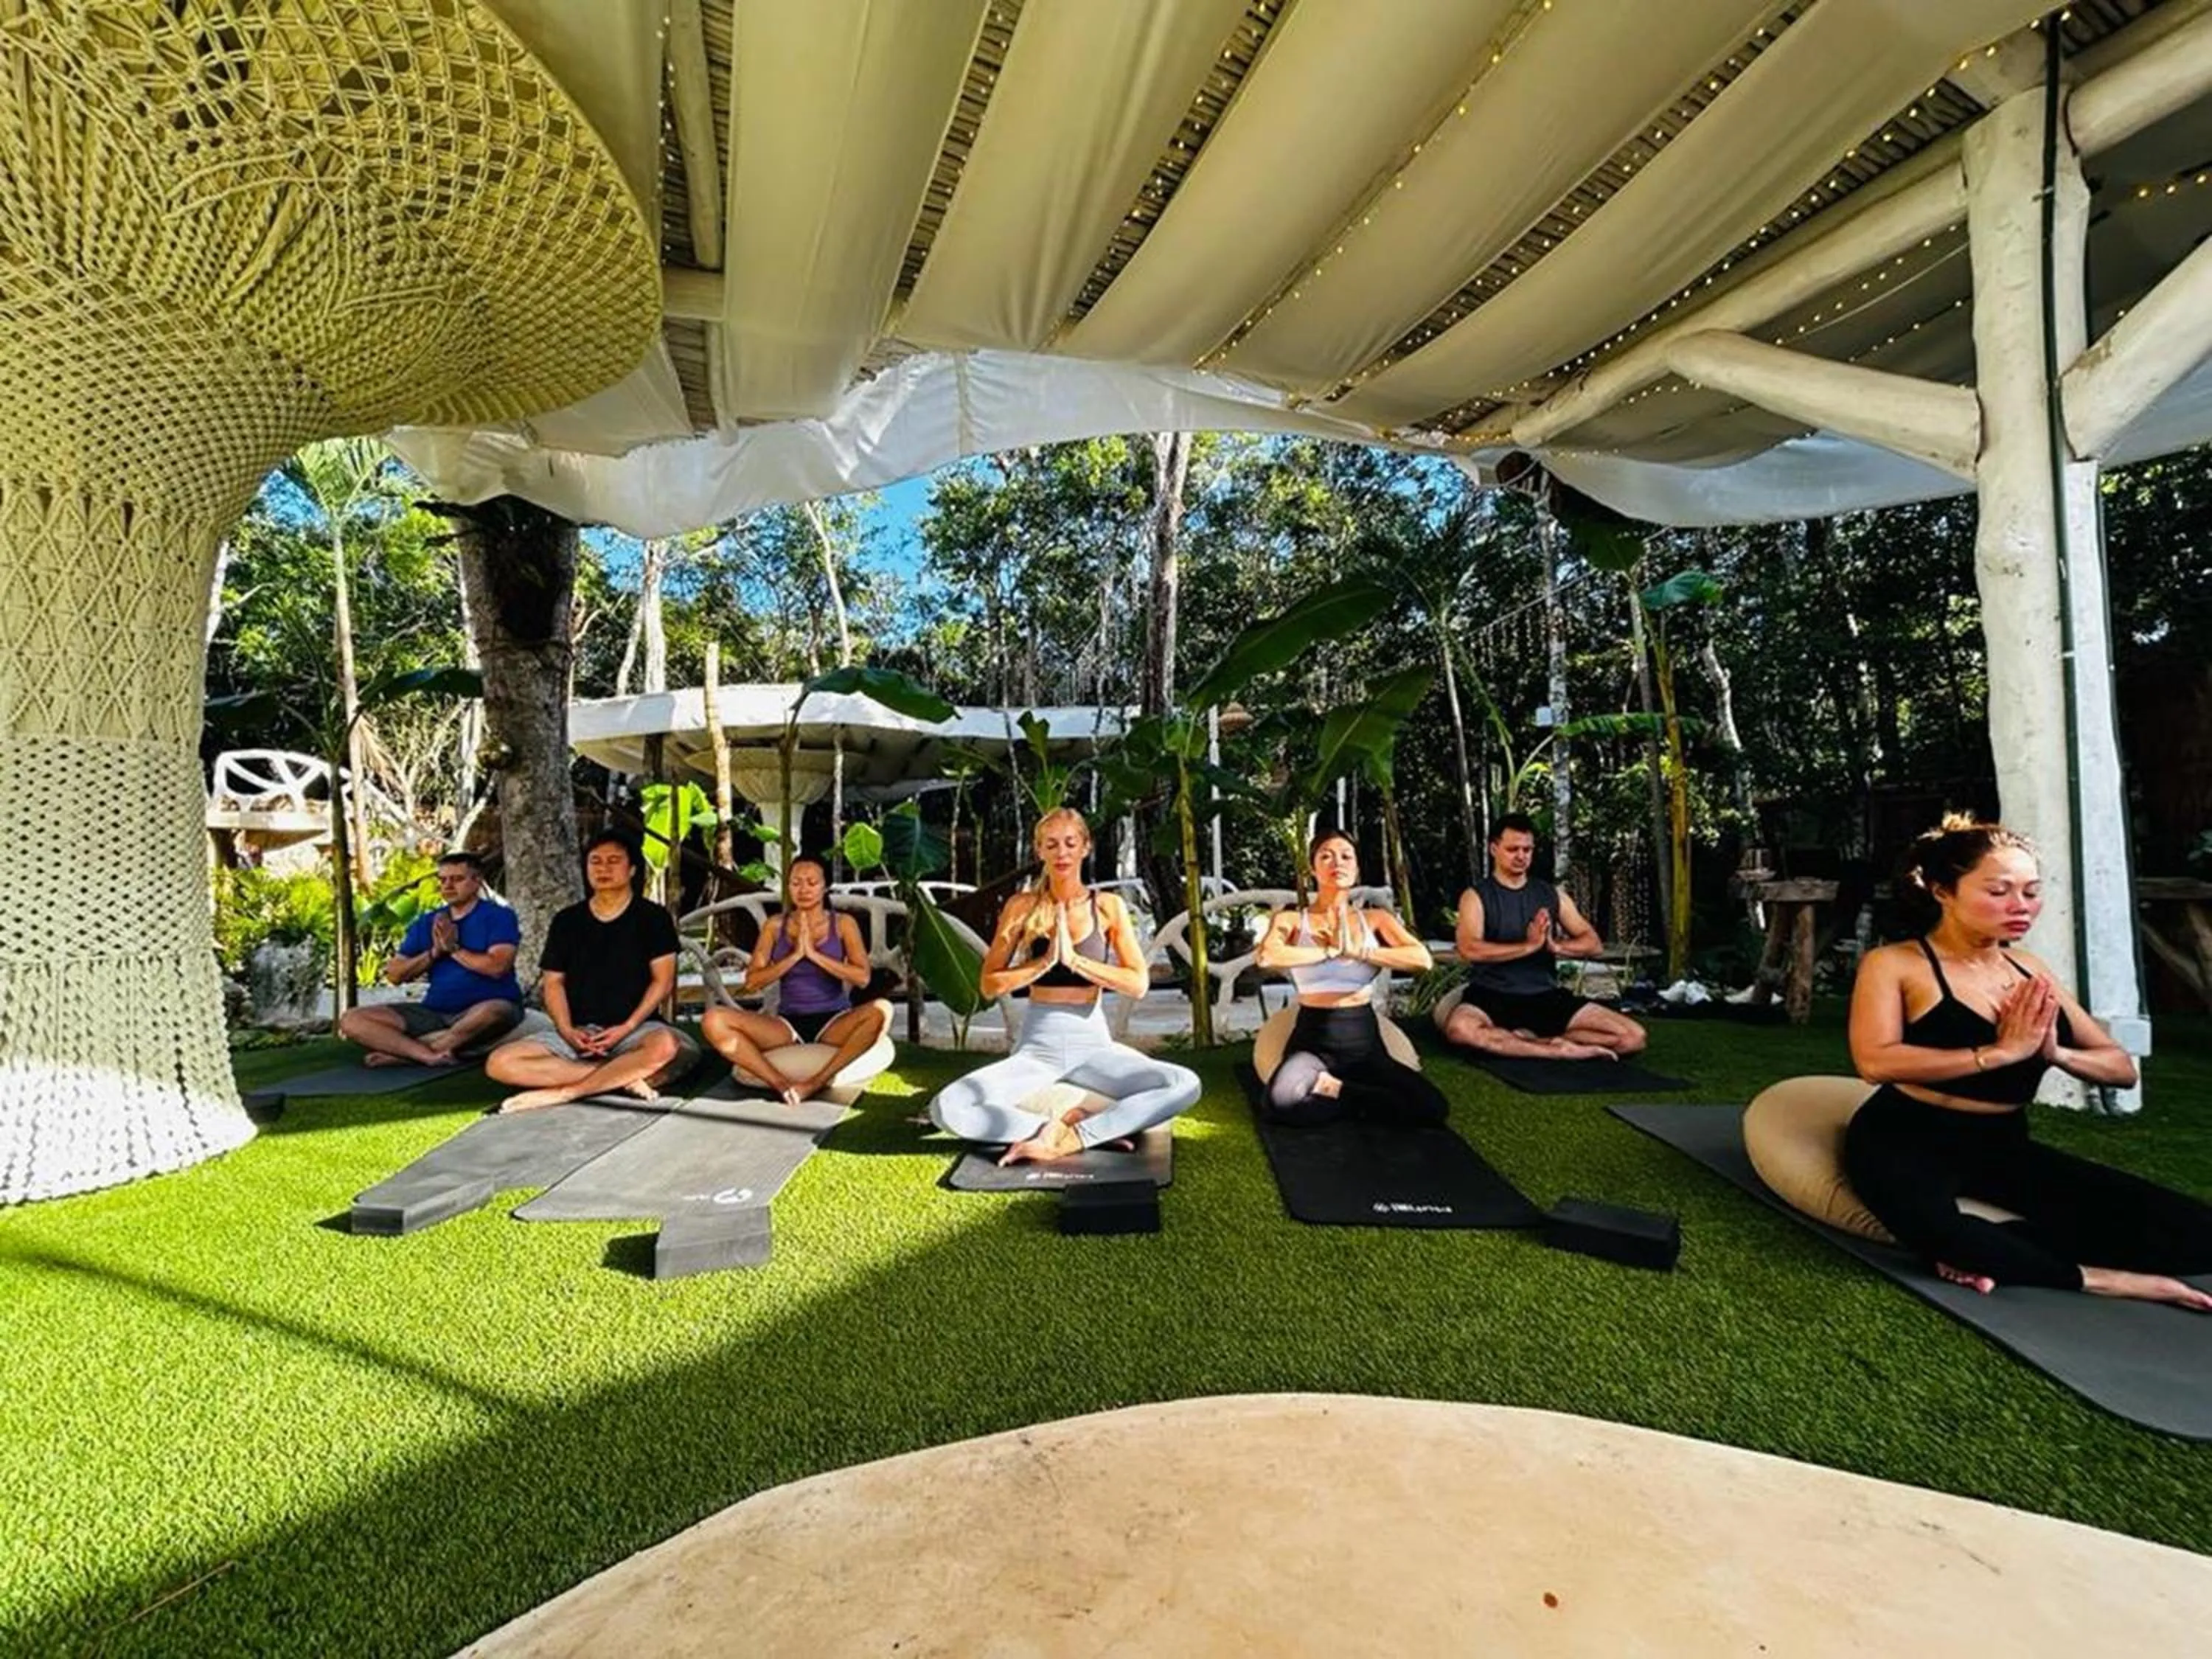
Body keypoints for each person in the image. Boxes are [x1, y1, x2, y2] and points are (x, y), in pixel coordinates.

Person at [1843, 815, 2212, 1310]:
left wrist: (2054, 1053)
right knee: (1941, 1231)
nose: (2022, 908)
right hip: (1905, 1138)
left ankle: (2008, 1248)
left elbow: (2120, 1067)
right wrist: (1996, 1054)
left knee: (2195, 1231)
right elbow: (1875, 1061)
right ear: (1942, 891)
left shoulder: (2030, 969)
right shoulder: (1896, 965)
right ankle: (2105, 1279)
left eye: (2032, 892)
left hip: (2002, 1142)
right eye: (1999, 891)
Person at [928, 807, 1200, 1164]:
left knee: (1185, 1084)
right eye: (1052, 845)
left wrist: (1076, 962)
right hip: (1036, 1049)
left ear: (1085, 847)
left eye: (1071, 843)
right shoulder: (1022, 907)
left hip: (1094, 1046)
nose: (1062, 853)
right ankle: (1049, 1129)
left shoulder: (1108, 906)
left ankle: (1078, 1136)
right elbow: (990, 984)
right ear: (1039, 851)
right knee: (948, 1106)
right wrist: (1043, 963)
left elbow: (1137, 983)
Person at [487, 830, 699, 1113]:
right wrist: (567, 1030)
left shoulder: (653, 918)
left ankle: (567, 1091)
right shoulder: (567, 921)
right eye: (596, 862)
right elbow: (554, 984)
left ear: (632, 869)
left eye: (614, 861)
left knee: (668, 1046)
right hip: (579, 1032)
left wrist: (627, 1026)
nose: (604, 868)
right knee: (501, 1063)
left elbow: (663, 981)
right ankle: (621, 1077)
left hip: (636, 1029)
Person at [1252, 828, 1450, 1126]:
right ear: (1312, 868)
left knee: (1432, 1107)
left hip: (1365, 1044)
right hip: (1312, 1042)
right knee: (1280, 1102)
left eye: (1346, 857)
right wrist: (1330, 952)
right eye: (1326, 856)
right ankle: (1364, 1100)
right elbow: (1268, 956)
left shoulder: (1375, 919)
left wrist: (1362, 953)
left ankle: (1336, 1090)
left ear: (1356, 869)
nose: (1337, 863)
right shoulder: (1292, 920)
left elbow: (1421, 960)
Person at [1441, 813, 1647, 1060]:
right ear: (1494, 849)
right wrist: (1528, 946)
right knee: (1460, 1030)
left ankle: (1532, 1043)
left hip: (1544, 995)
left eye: (1527, 850)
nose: (1521, 856)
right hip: (1491, 994)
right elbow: (1469, 949)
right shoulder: (1476, 896)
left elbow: (1593, 943)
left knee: (1633, 1037)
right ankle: (1557, 1052)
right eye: (1513, 849)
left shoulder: (1551, 895)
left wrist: (1554, 946)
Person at [703, 855, 890, 1105]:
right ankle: (780, 1083)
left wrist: (814, 955)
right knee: (713, 1019)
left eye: (812, 883)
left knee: (882, 1010)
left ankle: (815, 1082)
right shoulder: (774, 926)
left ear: (825, 887)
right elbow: (752, 982)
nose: (804, 890)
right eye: (796, 883)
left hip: (834, 1021)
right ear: (788, 888)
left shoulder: (844, 924)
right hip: (786, 1025)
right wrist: (794, 957)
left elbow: (863, 977)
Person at [336, 852, 522, 1067]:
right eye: (443, 880)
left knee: (494, 1012)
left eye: (457, 879)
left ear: (477, 881)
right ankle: (427, 1055)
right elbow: (395, 975)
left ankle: (409, 1053)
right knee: (352, 1020)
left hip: (486, 1006)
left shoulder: (499, 916)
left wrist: (453, 950)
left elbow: (497, 967)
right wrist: (434, 953)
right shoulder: (427, 922)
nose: (448, 886)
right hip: (435, 1011)